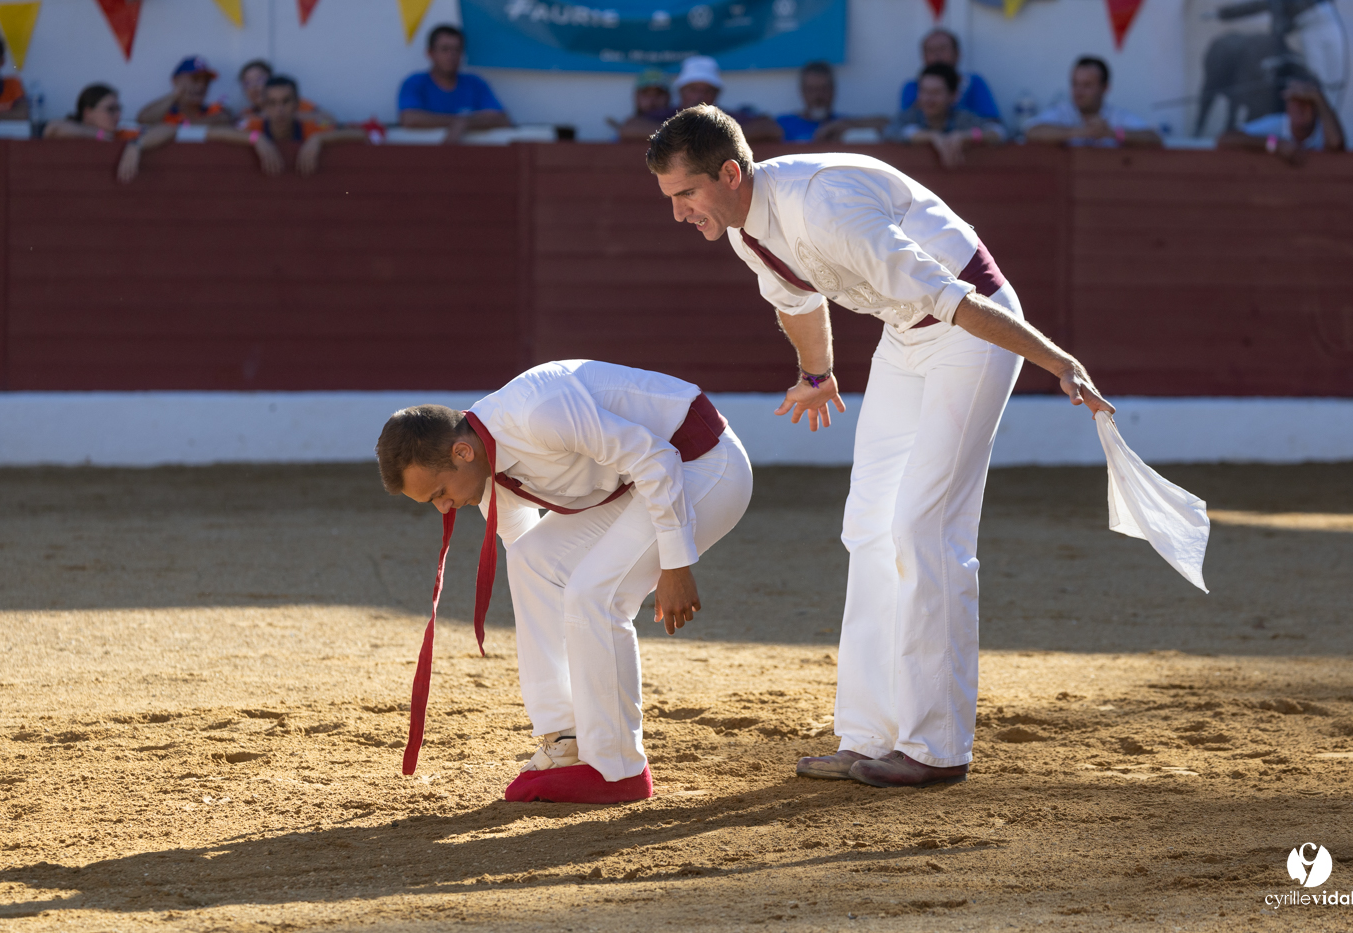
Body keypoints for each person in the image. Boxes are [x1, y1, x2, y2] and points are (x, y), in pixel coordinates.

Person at [647, 106, 1113, 789]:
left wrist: (1056, 360)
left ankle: (937, 745)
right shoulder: (746, 227)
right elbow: (798, 301)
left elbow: (959, 302)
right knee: (868, 525)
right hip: (906, 335)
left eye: (685, 194)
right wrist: (818, 374)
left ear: (728, 173)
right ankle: (866, 732)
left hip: (974, 328)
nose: (679, 213)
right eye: (670, 200)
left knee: (925, 526)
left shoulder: (825, 206)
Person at [377, 360, 753, 804]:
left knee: (594, 595)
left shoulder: (537, 411)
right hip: (639, 484)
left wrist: (675, 565)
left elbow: (656, 456)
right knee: (532, 561)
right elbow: (534, 566)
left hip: (704, 463)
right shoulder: (485, 472)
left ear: (462, 453)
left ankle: (618, 769)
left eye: (439, 492)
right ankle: (566, 742)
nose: (443, 508)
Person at [41, 83, 177, 183]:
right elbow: (52, 129)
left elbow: (169, 128)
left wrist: (136, 145)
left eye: (119, 109)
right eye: (111, 109)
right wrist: (97, 134)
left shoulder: (121, 133)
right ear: (88, 113)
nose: (117, 115)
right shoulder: (70, 130)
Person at [397, 24, 510, 141]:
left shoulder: (475, 83)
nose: (451, 55)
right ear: (430, 53)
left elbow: (501, 119)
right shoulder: (415, 83)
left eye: (457, 50)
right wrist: (459, 122)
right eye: (445, 49)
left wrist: (464, 123)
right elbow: (410, 119)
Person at [236, 75, 366, 175]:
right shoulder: (253, 125)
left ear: (297, 104)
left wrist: (319, 138)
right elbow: (217, 132)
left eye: (285, 101)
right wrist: (256, 138)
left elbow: (360, 134)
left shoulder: (313, 125)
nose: (279, 109)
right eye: (272, 103)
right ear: (265, 106)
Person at [1024, 57, 1160, 148]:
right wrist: (1081, 132)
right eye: (1075, 84)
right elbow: (1031, 132)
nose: (1078, 91)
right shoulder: (1062, 111)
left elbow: (1154, 139)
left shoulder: (1117, 115)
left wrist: (1113, 133)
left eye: (1087, 85)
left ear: (1105, 87)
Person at [887, 63, 1003, 167]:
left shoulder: (962, 117)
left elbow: (999, 131)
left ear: (953, 96)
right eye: (924, 91)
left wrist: (966, 136)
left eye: (936, 92)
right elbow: (890, 131)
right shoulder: (909, 115)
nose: (928, 99)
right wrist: (932, 136)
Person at [1216, 79, 1345, 161]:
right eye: (1295, 101)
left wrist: (1319, 97)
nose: (1300, 108)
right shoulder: (1277, 124)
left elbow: (1336, 145)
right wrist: (1274, 144)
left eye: (1307, 102)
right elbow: (1224, 139)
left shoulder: (1325, 129)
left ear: (1317, 107)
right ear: (1287, 107)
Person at [674, 55, 783, 143]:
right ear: (681, 91)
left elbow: (772, 129)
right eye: (693, 89)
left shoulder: (729, 118)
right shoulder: (665, 116)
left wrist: (718, 136)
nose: (700, 96)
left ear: (717, 93)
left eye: (708, 91)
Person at [898, 29, 999, 122]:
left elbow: (994, 123)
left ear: (957, 54)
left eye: (942, 49)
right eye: (930, 50)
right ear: (923, 57)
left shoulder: (974, 82)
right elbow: (904, 124)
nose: (937, 55)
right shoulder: (912, 87)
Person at [776, 61, 888, 143]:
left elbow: (887, 125)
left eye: (823, 89)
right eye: (811, 90)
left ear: (833, 90)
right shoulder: (785, 124)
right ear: (802, 92)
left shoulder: (842, 122)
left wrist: (844, 126)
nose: (817, 96)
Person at [136, 56, 235, 126]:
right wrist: (176, 94)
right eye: (195, 79)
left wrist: (174, 127)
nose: (201, 85)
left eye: (206, 81)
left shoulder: (215, 111)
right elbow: (143, 119)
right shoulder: (164, 112)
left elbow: (225, 119)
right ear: (176, 81)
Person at [237, 59, 334, 126]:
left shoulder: (296, 104)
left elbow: (329, 121)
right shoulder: (247, 114)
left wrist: (287, 116)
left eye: (259, 80)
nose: (254, 87)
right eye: (248, 83)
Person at [608, 69, 676, 142]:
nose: (652, 99)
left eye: (659, 93)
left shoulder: (681, 117)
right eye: (646, 93)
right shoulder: (624, 131)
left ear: (668, 97)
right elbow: (628, 129)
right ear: (636, 97)